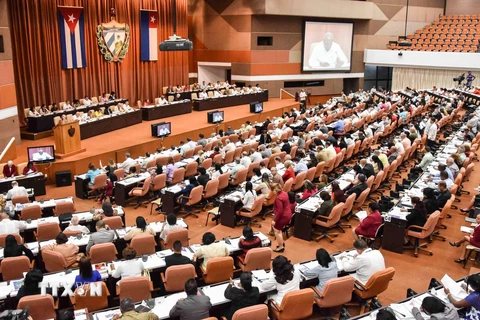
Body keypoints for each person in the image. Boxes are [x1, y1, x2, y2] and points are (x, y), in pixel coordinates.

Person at [272, 184, 292, 253]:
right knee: (279, 229)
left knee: (277, 230)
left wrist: (275, 220)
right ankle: (281, 243)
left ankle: (281, 247)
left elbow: (280, 211)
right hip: (288, 213)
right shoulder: (284, 193)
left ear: (275, 190)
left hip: (283, 216)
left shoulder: (278, 198)